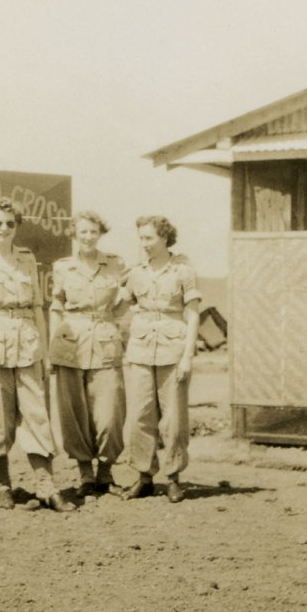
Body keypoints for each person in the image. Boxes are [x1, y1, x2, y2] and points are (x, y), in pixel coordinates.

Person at [0, 197, 75, 512]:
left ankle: (46, 486)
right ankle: (2, 486)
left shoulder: (26, 259)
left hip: (27, 345)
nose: (4, 229)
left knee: (36, 413)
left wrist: (46, 352)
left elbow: (37, 306)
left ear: (17, 226)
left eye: (10, 224)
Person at [122, 215, 201, 504]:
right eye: (140, 238)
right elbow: (123, 305)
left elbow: (192, 314)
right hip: (142, 350)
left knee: (173, 419)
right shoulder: (135, 273)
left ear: (165, 238)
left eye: (149, 238)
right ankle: (144, 476)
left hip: (173, 350)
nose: (144, 244)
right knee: (140, 417)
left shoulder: (183, 271)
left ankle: (173, 478)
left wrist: (188, 356)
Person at [48, 211, 127, 498]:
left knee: (110, 413)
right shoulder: (63, 268)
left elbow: (122, 305)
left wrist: (117, 317)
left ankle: (106, 473)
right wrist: (52, 348)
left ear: (100, 233)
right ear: (74, 235)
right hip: (71, 343)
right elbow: (56, 306)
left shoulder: (115, 265)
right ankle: (85, 475)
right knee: (73, 412)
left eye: (93, 232)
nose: (88, 237)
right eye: (83, 232)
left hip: (105, 340)